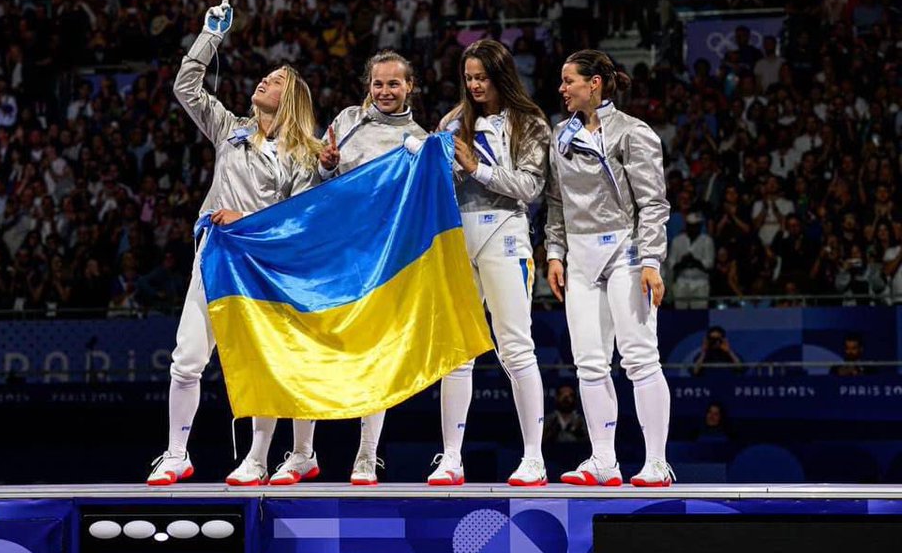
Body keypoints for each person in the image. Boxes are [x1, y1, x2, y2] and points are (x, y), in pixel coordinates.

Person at [147, 0, 323, 487]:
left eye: (278, 81)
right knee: (187, 356)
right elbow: (186, 87)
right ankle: (176, 453)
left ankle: (258, 458)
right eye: (265, 77)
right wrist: (210, 37)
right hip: (216, 252)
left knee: (264, 363)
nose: (265, 81)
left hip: (264, 264)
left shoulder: (303, 154)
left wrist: (244, 217)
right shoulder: (230, 129)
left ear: (293, 99)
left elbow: (300, 220)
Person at [267, 50, 427, 488]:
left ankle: (366, 456)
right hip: (334, 251)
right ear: (368, 85)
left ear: (409, 86)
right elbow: (316, 182)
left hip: (379, 260)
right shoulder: (348, 118)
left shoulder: (417, 138)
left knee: (372, 357)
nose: (385, 92)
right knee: (312, 347)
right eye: (378, 84)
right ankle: (302, 454)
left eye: (394, 84)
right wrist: (327, 164)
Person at [545, 49, 674, 487]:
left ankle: (656, 462)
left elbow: (653, 204)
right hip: (580, 258)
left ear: (595, 83)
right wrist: (555, 252)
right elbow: (556, 202)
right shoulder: (559, 136)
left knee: (639, 357)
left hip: (626, 250)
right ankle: (603, 460)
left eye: (569, 81)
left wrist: (652, 260)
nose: (562, 89)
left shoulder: (634, 133)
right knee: (589, 363)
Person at [427, 39, 551, 487]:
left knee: (516, 348)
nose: (475, 85)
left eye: (482, 77)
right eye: (469, 78)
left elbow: (530, 187)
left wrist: (475, 167)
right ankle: (451, 458)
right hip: (460, 238)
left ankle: (534, 458)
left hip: (505, 235)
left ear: (501, 75)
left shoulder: (530, 123)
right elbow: (438, 183)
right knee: (457, 354)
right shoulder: (451, 123)